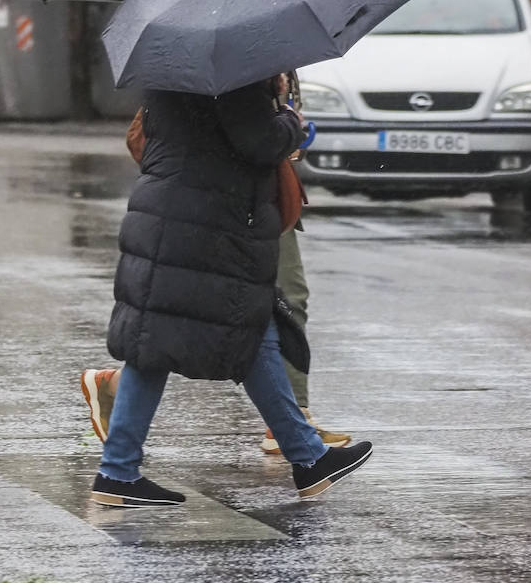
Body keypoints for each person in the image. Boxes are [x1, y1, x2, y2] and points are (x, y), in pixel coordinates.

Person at [83, 79, 372, 507]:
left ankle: (308, 458)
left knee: (190, 337)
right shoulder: (233, 74)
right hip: (207, 222)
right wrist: (290, 121)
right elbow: (257, 141)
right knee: (189, 337)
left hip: (174, 213)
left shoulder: (178, 67)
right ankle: (118, 472)